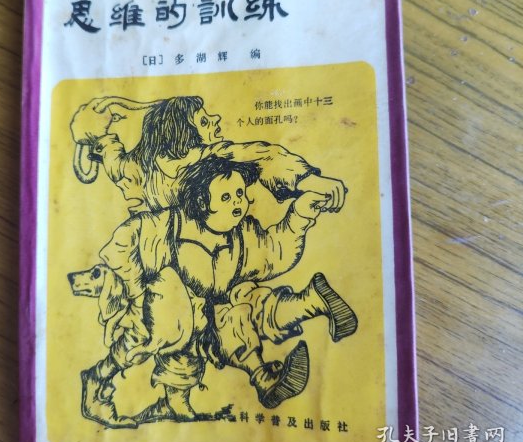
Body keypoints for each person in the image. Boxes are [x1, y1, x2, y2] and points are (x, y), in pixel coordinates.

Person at [80, 157, 357, 427]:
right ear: (203, 202)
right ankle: (98, 380)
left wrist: (302, 214)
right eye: (226, 197)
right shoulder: (166, 227)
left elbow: (275, 250)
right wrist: (136, 291)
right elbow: (122, 244)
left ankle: (295, 326)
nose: (237, 202)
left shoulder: (241, 236)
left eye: (240, 194)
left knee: (240, 305)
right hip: (159, 314)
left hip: (204, 322)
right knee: (172, 315)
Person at [70, 95, 348, 216]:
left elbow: (263, 155)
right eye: (204, 121)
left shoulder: (208, 156)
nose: (215, 120)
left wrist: (306, 180)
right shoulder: (206, 157)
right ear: (184, 135)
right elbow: (117, 166)